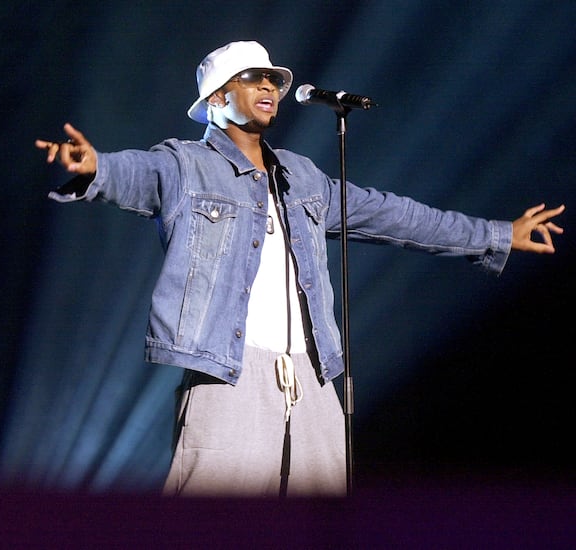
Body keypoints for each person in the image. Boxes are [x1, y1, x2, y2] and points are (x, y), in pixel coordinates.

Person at [36, 40, 565, 498]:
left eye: (273, 79)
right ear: (218, 98)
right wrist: (95, 168)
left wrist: (496, 235)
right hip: (229, 373)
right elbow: (136, 173)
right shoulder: (185, 165)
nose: (268, 86)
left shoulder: (303, 178)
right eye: (251, 79)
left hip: (311, 378)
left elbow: (394, 215)